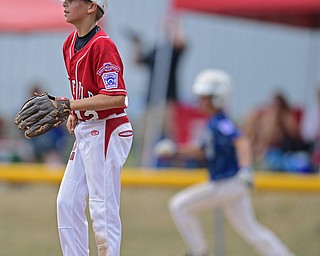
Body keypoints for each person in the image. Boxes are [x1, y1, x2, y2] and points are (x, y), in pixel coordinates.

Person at [154, 69, 295, 256]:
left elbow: (241, 141)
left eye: (204, 97)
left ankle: (198, 251)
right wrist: (175, 150)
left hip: (227, 183)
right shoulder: (214, 123)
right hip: (230, 185)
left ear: (217, 98)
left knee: (179, 206)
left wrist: (246, 168)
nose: (199, 101)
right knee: (252, 231)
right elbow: (202, 151)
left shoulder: (221, 123)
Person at [57, 1, 133, 256]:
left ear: (91, 7)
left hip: (108, 129)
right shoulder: (69, 43)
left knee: (102, 208)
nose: (65, 3)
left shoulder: (103, 45)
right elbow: (85, 90)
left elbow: (116, 97)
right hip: (88, 128)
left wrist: (71, 104)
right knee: (66, 202)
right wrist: (75, 111)